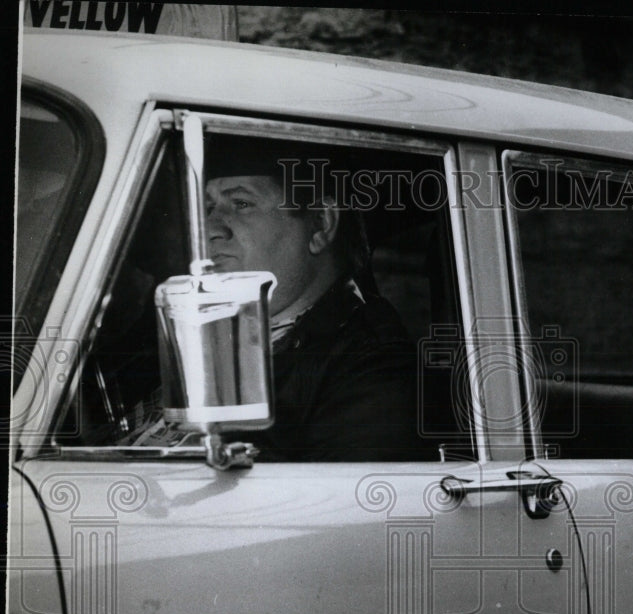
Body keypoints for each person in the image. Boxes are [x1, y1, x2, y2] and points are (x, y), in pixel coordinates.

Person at [134, 135, 426, 462]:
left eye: (241, 204)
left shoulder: (371, 367)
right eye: (208, 208)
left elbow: (349, 503)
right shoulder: (206, 334)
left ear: (320, 224)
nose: (210, 228)